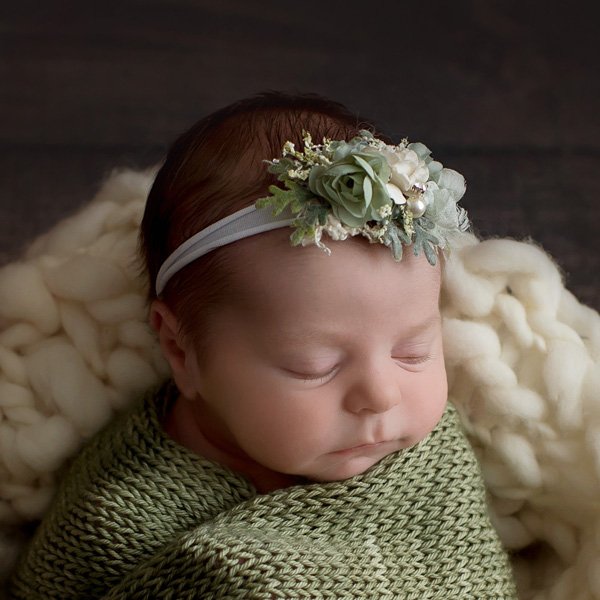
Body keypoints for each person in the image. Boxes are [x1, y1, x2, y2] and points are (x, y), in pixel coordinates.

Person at [8, 92, 516, 598]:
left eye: (413, 352)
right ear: (181, 350)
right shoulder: (113, 514)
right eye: (314, 366)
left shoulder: (426, 466)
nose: (382, 395)